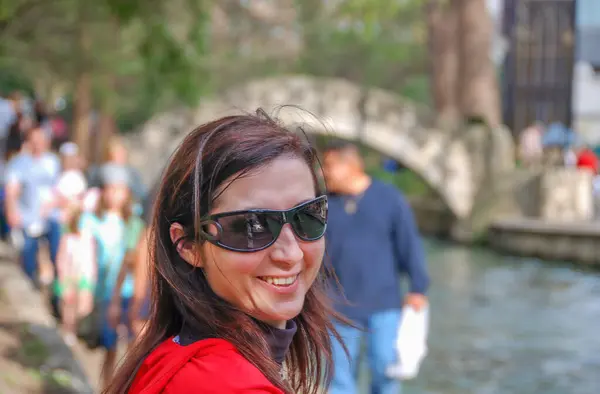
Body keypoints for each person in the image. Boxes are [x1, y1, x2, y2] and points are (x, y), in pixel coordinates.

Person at [104, 112, 349, 394]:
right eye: (252, 225)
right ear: (188, 244)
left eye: (308, 215)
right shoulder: (233, 385)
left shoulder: (168, 358)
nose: (291, 253)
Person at [322, 140, 430, 394]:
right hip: (335, 306)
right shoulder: (323, 204)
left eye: (329, 165)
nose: (324, 172)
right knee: (338, 380)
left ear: (351, 165)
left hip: (383, 305)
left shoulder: (389, 199)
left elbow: (409, 245)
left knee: (386, 370)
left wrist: (418, 288)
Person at [79, 164, 140, 387]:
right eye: (111, 189)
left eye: (120, 190)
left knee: (134, 347)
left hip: (130, 291)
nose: (115, 195)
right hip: (105, 291)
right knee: (110, 345)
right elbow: (86, 258)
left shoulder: (133, 222)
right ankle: (107, 386)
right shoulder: (93, 221)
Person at [4, 126, 62, 287]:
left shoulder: (53, 161)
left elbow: (57, 188)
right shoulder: (19, 163)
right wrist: (12, 211)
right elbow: (11, 190)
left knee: (57, 257)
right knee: (28, 259)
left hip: (51, 216)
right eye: (34, 140)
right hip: (28, 219)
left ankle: (55, 297)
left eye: (41, 140)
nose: (38, 144)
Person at [55, 200, 96, 347]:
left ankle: (77, 329)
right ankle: (69, 330)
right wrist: (64, 277)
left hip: (84, 275)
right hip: (70, 275)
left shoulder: (88, 237)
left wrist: (91, 276)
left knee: (83, 306)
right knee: (69, 304)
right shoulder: (68, 238)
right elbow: (62, 258)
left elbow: (91, 258)